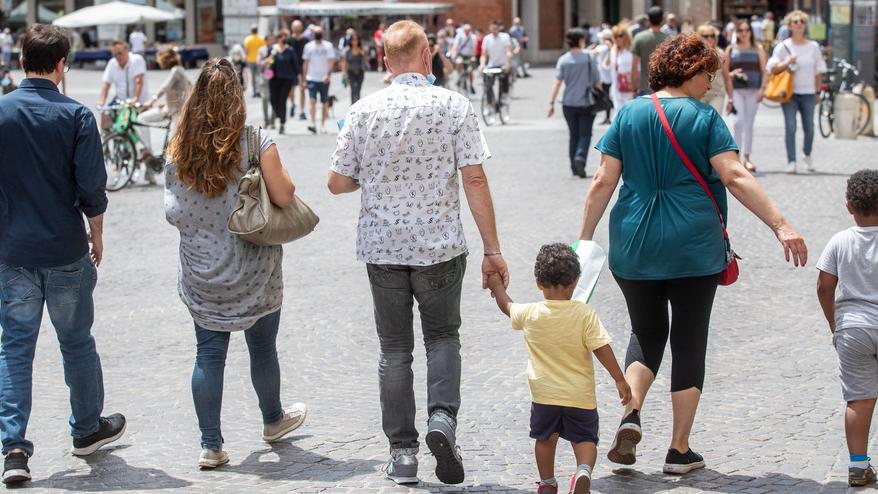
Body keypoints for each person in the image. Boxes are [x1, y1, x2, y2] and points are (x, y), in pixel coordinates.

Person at [579, 33, 807, 475]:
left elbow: (602, 181)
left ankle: (632, 411)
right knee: (688, 339)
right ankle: (679, 450)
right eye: (709, 74)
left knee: (645, 332)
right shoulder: (704, 118)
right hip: (693, 245)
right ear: (689, 71)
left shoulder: (628, 114)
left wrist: (585, 240)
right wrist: (781, 225)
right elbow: (735, 176)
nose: (711, 83)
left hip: (634, 240)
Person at [328, 20, 507, 487]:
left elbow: (336, 182)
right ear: (427, 56)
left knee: (394, 351)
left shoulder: (363, 111)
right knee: (444, 338)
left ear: (385, 61)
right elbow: (473, 178)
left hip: (383, 246)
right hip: (440, 244)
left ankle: (403, 455)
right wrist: (492, 249)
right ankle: (442, 422)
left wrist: (377, 174)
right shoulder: (454, 106)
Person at [164, 58, 307, 469]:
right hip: (255, 271)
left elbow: (173, 212)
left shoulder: (177, 148)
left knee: (208, 355)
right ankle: (273, 419)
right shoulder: (255, 142)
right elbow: (284, 195)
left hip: (201, 271)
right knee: (262, 347)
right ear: (238, 97)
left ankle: (211, 445)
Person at [0, 24, 125, 486]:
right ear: (61, 64)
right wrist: (97, 233)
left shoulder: (2, 112)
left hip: (13, 249)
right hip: (65, 247)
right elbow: (92, 186)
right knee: (76, 343)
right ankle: (87, 428)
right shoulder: (76, 115)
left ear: (20, 61)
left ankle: (14, 448)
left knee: (14, 348)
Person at [486, 244, 631, 494]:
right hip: (580, 395)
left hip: (545, 395)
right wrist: (619, 379)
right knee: (585, 439)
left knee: (545, 439)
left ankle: (547, 483)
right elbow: (601, 347)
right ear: (576, 282)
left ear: (538, 283)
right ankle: (583, 471)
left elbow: (506, 306)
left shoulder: (531, 313)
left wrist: (497, 285)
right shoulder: (584, 314)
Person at [816, 169, 878, 488]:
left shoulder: (840, 241)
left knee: (859, 399)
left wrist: (834, 322)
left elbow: (825, 286)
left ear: (848, 206)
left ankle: (857, 466)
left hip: (853, 328)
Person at [766, 10, 826, 174]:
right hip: (789, 93)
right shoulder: (783, 47)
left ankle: (807, 154)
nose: (799, 24)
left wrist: (818, 92)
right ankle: (791, 161)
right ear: (790, 25)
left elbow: (818, 71)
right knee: (790, 127)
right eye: (795, 21)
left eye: (802, 21)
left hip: (808, 93)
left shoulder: (813, 47)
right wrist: (787, 61)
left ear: (805, 25)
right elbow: (771, 68)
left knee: (810, 127)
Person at [547, 28, 601, 179]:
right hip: (586, 102)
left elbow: (557, 83)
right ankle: (580, 157)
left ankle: (574, 166)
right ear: (581, 40)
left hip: (568, 103)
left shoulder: (564, 60)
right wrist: (602, 96)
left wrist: (551, 102)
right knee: (585, 134)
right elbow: (597, 82)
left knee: (573, 134)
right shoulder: (589, 59)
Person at [97, 40, 154, 181]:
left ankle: (149, 168)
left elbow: (139, 81)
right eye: (115, 54)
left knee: (142, 135)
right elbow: (106, 85)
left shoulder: (137, 60)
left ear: (127, 50)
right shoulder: (112, 64)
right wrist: (101, 102)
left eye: (120, 53)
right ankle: (108, 141)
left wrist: (135, 98)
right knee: (105, 114)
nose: (117, 57)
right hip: (122, 103)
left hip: (138, 103)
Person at [726, 19, 767, 173]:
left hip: (753, 90)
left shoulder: (758, 49)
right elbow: (725, 73)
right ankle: (736, 158)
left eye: (746, 30)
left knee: (749, 124)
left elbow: (764, 71)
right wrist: (733, 74)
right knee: (738, 122)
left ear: (751, 32)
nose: (743, 33)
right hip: (736, 90)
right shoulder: (731, 49)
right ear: (736, 33)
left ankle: (747, 158)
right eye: (740, 31)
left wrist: (762, 89)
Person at [141, 47, 190, 130]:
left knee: (175, 141)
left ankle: (144, 143)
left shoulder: (176, 71)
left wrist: (151, 101)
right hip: (171, 109)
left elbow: (165, 87)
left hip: (177, 113)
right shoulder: (179, 70)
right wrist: (166, 102)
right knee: (141, 118)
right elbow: (186, 89)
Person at [302, 26, 335, 135]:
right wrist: (304, 78)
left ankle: (323, 125)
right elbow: (305, 63)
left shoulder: (328, 46)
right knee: (312, 101)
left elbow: (331, 61)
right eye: (316, 32)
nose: (318, 33)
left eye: (319, 32)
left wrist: (327, 74)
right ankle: (312, 123)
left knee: (324, 102)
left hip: (324, 79)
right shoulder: (308, 46)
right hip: (311, 78)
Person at [267, 35, 301, 135]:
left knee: (282, 100)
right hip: (273, 79)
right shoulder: (273, 49)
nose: (283, 39)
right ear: (278, 39)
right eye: (281, 37)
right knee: (273, 99)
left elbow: (295, 65)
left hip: (287, 79)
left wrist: (298, 78)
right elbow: (269, 64)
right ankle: (279, 114)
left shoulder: (290, 50)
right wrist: (271, 57)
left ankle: (282, 123)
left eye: (284, 37)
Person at [631, 6, 668, 95]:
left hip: (645, 86)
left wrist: (634, 88)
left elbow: (634, 67)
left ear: (648, 19)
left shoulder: (639, 38)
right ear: (662, 19)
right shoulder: (668, 39)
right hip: (664, 88)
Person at [696, 24, 728, 114]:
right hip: (698, 95)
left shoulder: (721, 54)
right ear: (699, 37)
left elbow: (727, 77)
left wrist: (731, 99)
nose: (709, 38)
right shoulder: (694, 55)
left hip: (717, 94)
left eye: (712, 36)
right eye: (706, 36)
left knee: (712, 122)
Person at [480, 19, 513, 98]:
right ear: (490, 28)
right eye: (493, 28)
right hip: (491, 65)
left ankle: (504, 97)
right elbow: (484, 54)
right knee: (487, 84)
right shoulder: (487, 39)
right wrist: (482, 64)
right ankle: (490, 102)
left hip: (502, 65)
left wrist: (507, 64)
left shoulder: (505, 37)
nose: (494, 30)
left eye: (496, 28)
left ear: (499, 28)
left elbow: (508, 51)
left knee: (504, 81)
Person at [605, 25, 634, 114]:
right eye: (615, 36)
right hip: (616, 87)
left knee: (628, 112)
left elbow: (637, 68)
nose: (618, 38)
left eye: (620, 35)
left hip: (629, 86)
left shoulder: (631, 50)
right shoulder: (613, 50)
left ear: (626, 36)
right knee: (618, 112)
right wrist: (609, 50)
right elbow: (606, 65)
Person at [593, 28, 614, 124]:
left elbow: (593, 55)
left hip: (602, 76)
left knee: (604, 96)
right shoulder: (612, 46)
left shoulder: (602, 47)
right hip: (609, 75)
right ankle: (607, 116)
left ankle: (610, 109)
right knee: (606, 95)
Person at [450, 23, 478, 94]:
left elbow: (474, 48)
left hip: (469, 56)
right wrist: (453, 54)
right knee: (459, 62)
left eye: (468, 30)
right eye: (466, 30)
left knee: (470, 71)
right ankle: (459, 77)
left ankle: (471, 85)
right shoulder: (459, 36)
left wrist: (473, 57)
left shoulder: (473, 37)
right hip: (461, 55)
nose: (467, 31)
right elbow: (455, 46)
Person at [289, 21, 309, 120]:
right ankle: (292, 104)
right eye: (295, 27)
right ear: (292, 28)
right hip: (291, 68)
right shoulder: (289, 40)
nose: (297, 29)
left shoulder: (306, 40)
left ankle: (302, 111)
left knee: (302, 89)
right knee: (291, 90)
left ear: (301, 28)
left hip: (302, 67)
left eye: (298, 27)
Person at [341, 31, 367, 104]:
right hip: (351, 72)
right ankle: (353, 105)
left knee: (358, 89)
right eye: (353, 40)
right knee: (353, 88)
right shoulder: (347, 50)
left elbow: (366, 60)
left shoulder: (361, 49)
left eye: (356, 39)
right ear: (350, 41)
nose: (355, 41)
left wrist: (363, 54)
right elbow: (344, 62)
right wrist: (344, 74)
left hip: (360, 72)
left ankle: (357, 105)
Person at [257, 34, 276, 128]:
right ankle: (266, 120)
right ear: (266, 40)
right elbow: (258, 63)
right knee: (264, 98)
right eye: (269, 39)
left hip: (275, 77)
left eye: (272, 39)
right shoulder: (261, 50)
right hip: (264, 76)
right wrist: (266, 61)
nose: (271, 41)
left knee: (274, 99)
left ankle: (273, 121)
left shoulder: (276, 49)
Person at [243, 25, 266, 98]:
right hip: (259, 60)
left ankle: (254, 92)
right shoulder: (261, 39)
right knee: (258, 75)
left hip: (251, 60)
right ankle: (259, 91)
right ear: (257, 30)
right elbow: (264, 49)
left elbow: (246, 51)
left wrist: (245, 58)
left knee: (252, 76)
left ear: (251, 31)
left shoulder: (247, 39)